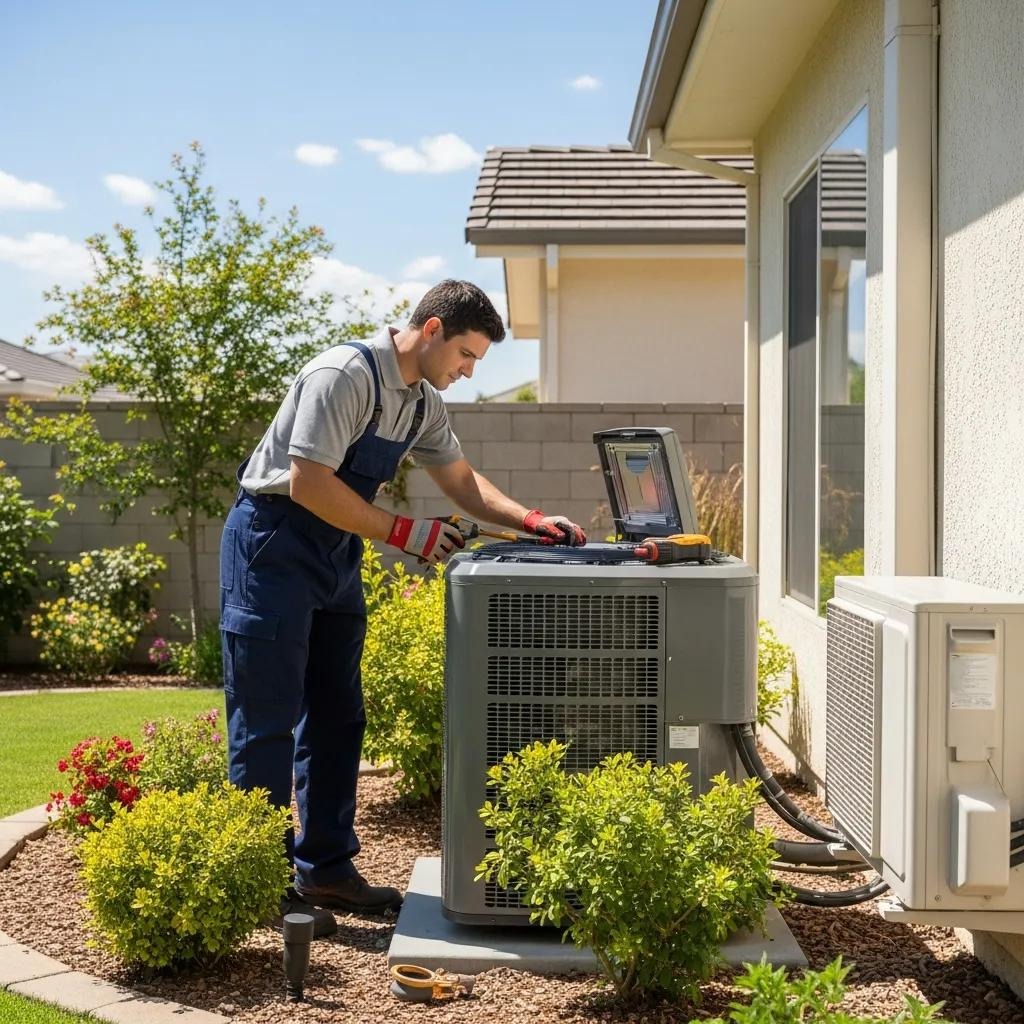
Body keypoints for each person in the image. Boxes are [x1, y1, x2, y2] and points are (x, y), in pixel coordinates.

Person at [220, 279, 586, 937]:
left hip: (334, 553)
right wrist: (403, 531)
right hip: (272, 543)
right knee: (266, 718)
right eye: (468, 355)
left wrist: (533, 520)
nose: (469, 371)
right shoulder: (344, 376)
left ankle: (325, 869)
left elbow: (462, 483)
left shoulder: (420, 404)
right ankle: (256, 885)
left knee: (338, 716)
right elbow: (307, 482)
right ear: (435, 330)